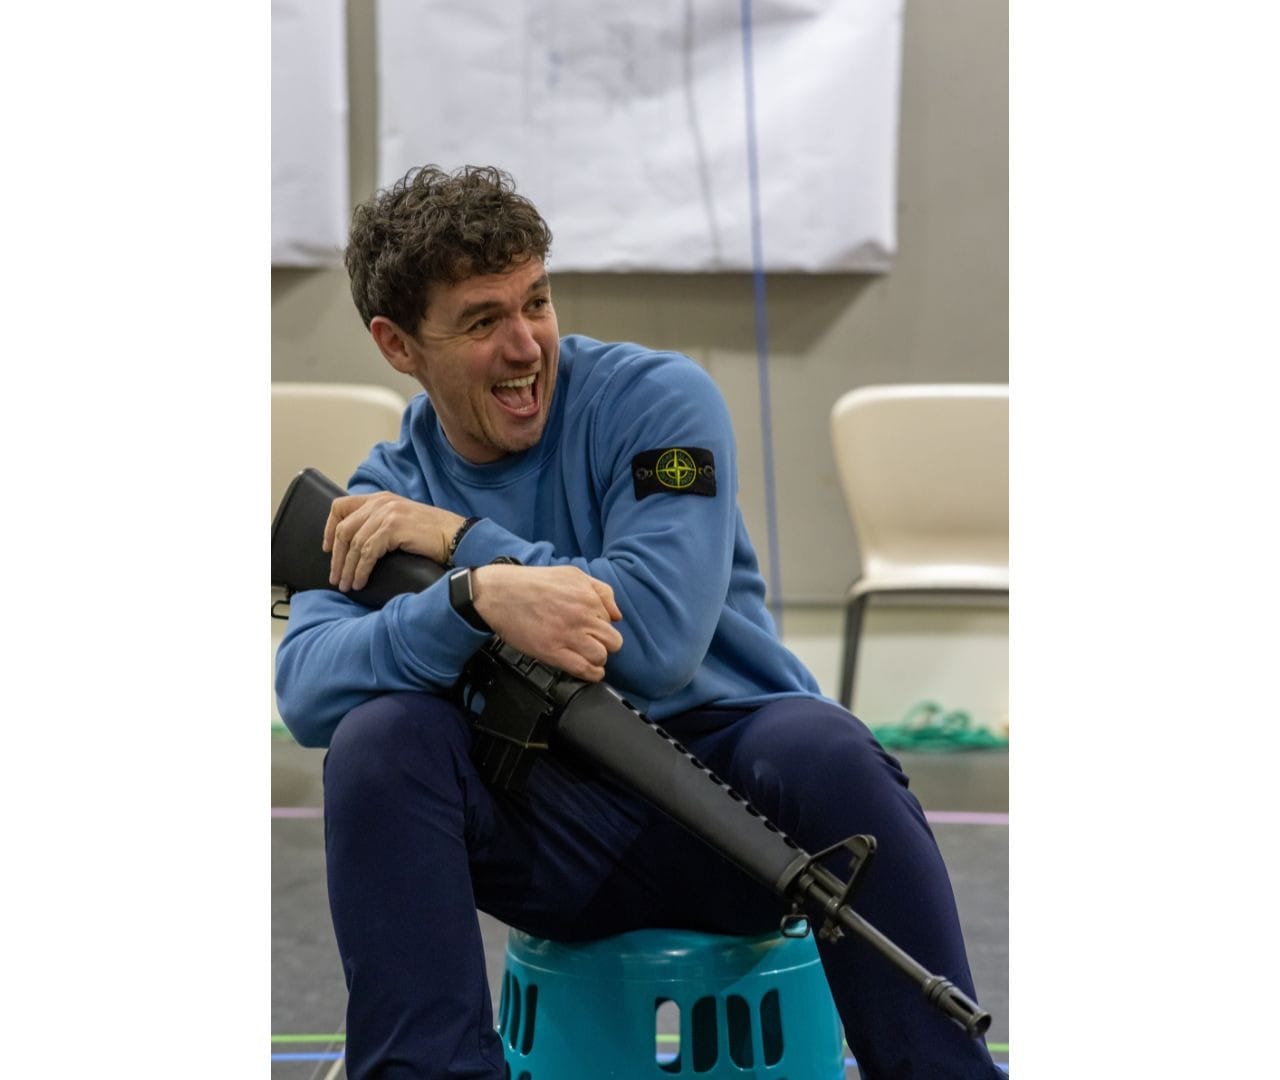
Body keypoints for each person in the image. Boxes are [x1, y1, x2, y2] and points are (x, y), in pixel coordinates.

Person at [275, 164, 1002, 1080]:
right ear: (397, 345)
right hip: (554, 835)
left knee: (824, 747)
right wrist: (472, 601)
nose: (525, 345)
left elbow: (654, 642)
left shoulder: (657, 402)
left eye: (535, 301)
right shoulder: (384, 494)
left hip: (734, 809)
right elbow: (306, 689)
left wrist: (463, 543)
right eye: (482, 321)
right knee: (380, 741)